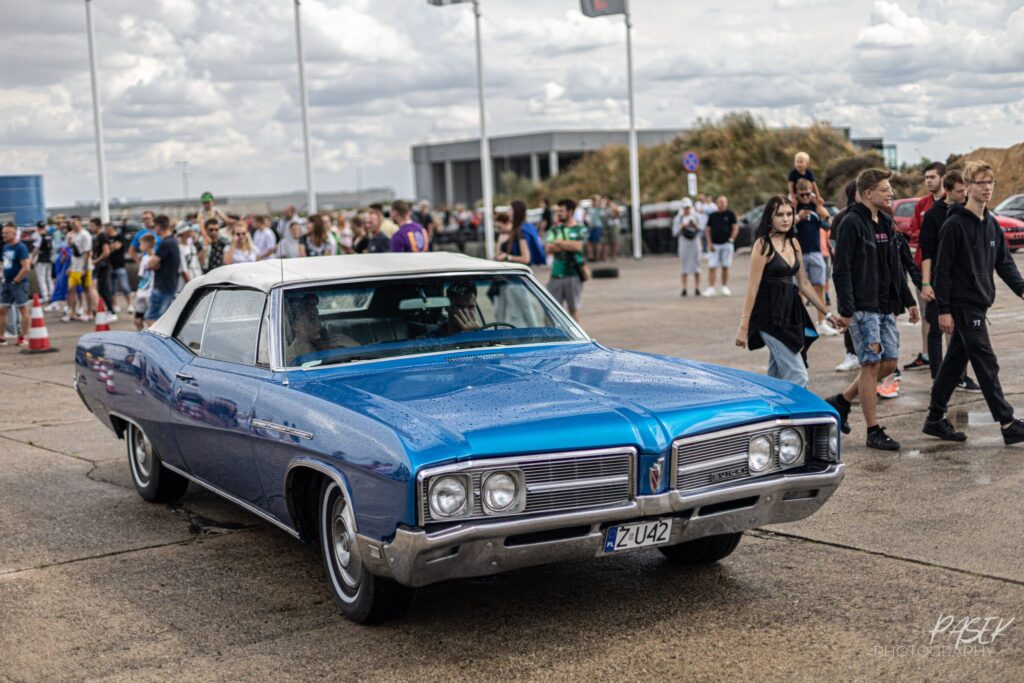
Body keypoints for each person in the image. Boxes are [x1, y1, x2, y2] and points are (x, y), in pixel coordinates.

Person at [924, 161, 1024, 445]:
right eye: (981, 183)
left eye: (990, 182)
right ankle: (1007, 423)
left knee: (954, 363)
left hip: (980, 303)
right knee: (986, 361)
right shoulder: (954, 224)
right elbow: (943, 270)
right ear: (967, 186)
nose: (987, 187)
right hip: (962, 305)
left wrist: (1022, 289)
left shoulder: (992, 224)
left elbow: (1004, 263)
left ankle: (935, 418)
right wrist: (944, 310)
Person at [828, 169, 919, 450]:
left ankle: (842, 401)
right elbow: (841, 269)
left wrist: (909, 300)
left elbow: (896, 266)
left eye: (890, 188)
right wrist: (846, 310)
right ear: (868, 193)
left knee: (889, 363)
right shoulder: (851, 223)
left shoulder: (886, 222)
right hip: (863, 307)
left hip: (885, 305)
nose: (891, 193)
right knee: (870, 365)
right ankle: (873, 431)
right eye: (884, 189)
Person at [735, 197, 841, 386]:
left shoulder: (794, 243)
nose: (785, 219)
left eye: (789, 214)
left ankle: (773, 405)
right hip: (768, 316)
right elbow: (752, 288)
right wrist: (744, 327)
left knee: (776, 378)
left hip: (790, 312)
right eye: (780, 215)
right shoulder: (763, 244)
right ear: (770, 217)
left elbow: (804, 284)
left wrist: (827, 314)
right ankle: (795, 406)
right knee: (798, 375)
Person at [904, 161, 947, 372]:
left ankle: (952, 362)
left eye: (932, 177)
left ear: (942, 178)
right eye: (926, 177)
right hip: (923, 268)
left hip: (946, 270)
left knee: (948, 316)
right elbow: (914, 232)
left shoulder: (951, 202)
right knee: (927, 315)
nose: (928, 181)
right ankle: (926, 355)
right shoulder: (922, 204)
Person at [793, 180, 836, 335]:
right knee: (798, 290)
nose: (805, 197)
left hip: (816, 253)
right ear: (796, 193)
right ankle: (799, 325)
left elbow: (828, 225)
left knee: (820, 287)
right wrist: (797, 217)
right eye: (802, 194)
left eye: (808, 193)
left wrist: (823, 212)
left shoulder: (815, 208)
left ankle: (821, 322)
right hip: (798, 254)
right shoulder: (792, 208)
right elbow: (785, 228)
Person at [545, 198, 585, 320]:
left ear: (570, 211)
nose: (559, 214)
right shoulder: (554, 229)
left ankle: (575, 332)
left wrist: (559, 242)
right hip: (556, 275)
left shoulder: (579, 228)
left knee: (573, 309)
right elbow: (549, 248)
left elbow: (577, 246)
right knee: (551, 310)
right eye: (558, 211)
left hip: (573, 275)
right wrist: (568, 244)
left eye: (561, 211)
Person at [143, 215, 180, 326]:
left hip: (162, 287)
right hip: (169, 285)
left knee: (152, 319)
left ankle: (156, 337)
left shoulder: (166, 243)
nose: (153, 229)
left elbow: (150, 263)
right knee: (162, 319)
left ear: (159, 226)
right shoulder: (173, 241)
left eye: (154, 226)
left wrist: (153, 264)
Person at [0, 223, 32, 346]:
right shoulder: (5, 247)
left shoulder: (20, 247)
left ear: (14, 234)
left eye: (6, 233)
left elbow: (26, 267)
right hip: (6, 283)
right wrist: (3, 273)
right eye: (3, 233)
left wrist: (16, 280)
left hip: (18, 283)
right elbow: (4, 263)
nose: (4, 235)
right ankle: (1, 336)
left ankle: (23, 337)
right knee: (3, 309)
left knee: (23, 309)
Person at [703, 195, 738, 297]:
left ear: (726, 203)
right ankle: (711, 288)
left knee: (725, 266)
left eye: (724, 201)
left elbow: (735, 227)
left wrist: (732, 239)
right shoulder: (712, 215)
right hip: (714, 245)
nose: (722, 203)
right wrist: (709, 243)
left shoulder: (730, 214)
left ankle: (724, 287)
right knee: (712, 266)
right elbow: (708, 230)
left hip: (727, 244)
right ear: (717, 203)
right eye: (720, 201)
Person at [63, 215, 94, 323]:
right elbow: (72, 251)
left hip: (84, 266)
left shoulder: (85, 235)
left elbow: (87, 252)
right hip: (74, 266)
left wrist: (84, 269)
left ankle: (89, 312)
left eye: (74, 223)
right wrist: (70, 266)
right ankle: (73, 312)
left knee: (87, 289)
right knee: (71, 289)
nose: (72, 225)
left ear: (80, 223)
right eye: (71, 223)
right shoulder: (73, 235)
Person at [672, 198, 703, 297]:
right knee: (684, 266)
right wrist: (681, 227)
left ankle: (697, 288)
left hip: (695, 243)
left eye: (688, 208)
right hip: (684, 243)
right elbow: (674, 233)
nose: (686, 210)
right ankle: (684, 288)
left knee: (697, 266)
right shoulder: (678, 218)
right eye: (685, 208)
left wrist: (695, 225)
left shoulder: (696, 216)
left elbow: (702, 230)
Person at [510, 199, 546, 266]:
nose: (508, 213)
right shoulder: (529, 227)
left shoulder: (521, 230)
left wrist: (508, 257)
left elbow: (526, 259)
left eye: (510, 210)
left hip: (525, 268)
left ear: (516, 211)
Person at [90, 218, 114, 317]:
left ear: (97, 226)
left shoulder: (103, 236)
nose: (90, 228)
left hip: (103, 266)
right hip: (99, 267)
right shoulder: (97, 237)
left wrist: (96, 260)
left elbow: (106, 252)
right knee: (101, 289)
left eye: (92, 225)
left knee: (104, 289)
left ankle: (112, 312)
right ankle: (108, 310)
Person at [105, 222, 132, 313]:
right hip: (109, 266)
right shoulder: (106, 238)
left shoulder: (120, 237)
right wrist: (110, 247)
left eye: (107, 229)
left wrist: (108, 247)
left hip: (119, 265)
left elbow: (117, 247)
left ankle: (130, 304)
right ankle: (115, 304)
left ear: (111, 228)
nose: (106, 231)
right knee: (111, 288)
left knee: (125, 286)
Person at [132, 233, 156, 331]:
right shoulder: (144, 258)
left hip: (151, 292)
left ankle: (152, 336)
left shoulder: (156, 258)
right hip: (142, 291)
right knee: (137, 320)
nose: (139, 246)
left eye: (141, 244)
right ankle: (140, 335)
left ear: (147, 244)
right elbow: (141, 276)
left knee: (150, 320)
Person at [32, 222, 54, 303]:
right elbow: (52, 248)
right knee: (48, 278)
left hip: (41, 259)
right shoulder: (49, 235)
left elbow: (36, 249)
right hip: (49, 259)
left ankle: (45, 297)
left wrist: (32, 258)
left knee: (41, 278)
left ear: (38, 227)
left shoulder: (39, 236)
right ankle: (52, 295)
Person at [176, 224, 203, 290]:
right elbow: (183, 270)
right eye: (188, 231)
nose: (191, 232)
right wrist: (190, 287)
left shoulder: (192, 247)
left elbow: (197, 264)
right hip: (185, 283)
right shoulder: (179, 248)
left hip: (196, 278)